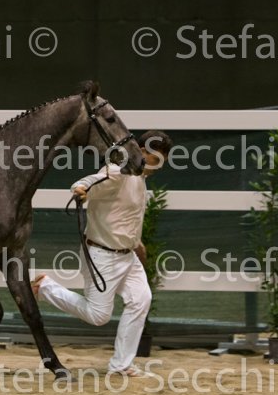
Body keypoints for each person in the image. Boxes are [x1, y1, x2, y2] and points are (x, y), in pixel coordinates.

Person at [32, 130, 174, 376]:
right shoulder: (117, 172)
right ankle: (45, 288)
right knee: (98, 316)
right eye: (154, 160)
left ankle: (121, 365)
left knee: (141, 299)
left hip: (127, 255)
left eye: (161, 162)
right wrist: (81, 190)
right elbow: (86, 183)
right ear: (141, 151)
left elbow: (125, 215)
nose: (157, 167)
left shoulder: (139, 177)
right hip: (101, 255)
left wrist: (137, 243)